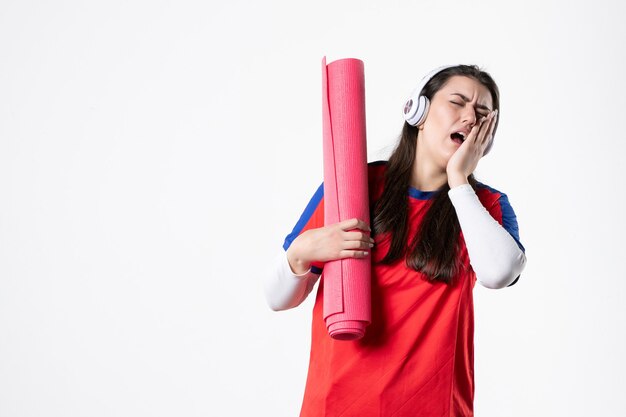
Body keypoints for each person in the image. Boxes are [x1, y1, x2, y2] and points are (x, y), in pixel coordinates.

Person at [264, 64, 527, 417]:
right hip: (336, 405)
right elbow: (277, 297)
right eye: (458, 103)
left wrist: (459, 181)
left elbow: (499, 273)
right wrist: (301, 253)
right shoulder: (354, 184)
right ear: (418, 112)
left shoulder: (486, 206)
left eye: (482, 113)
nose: (470, 118)